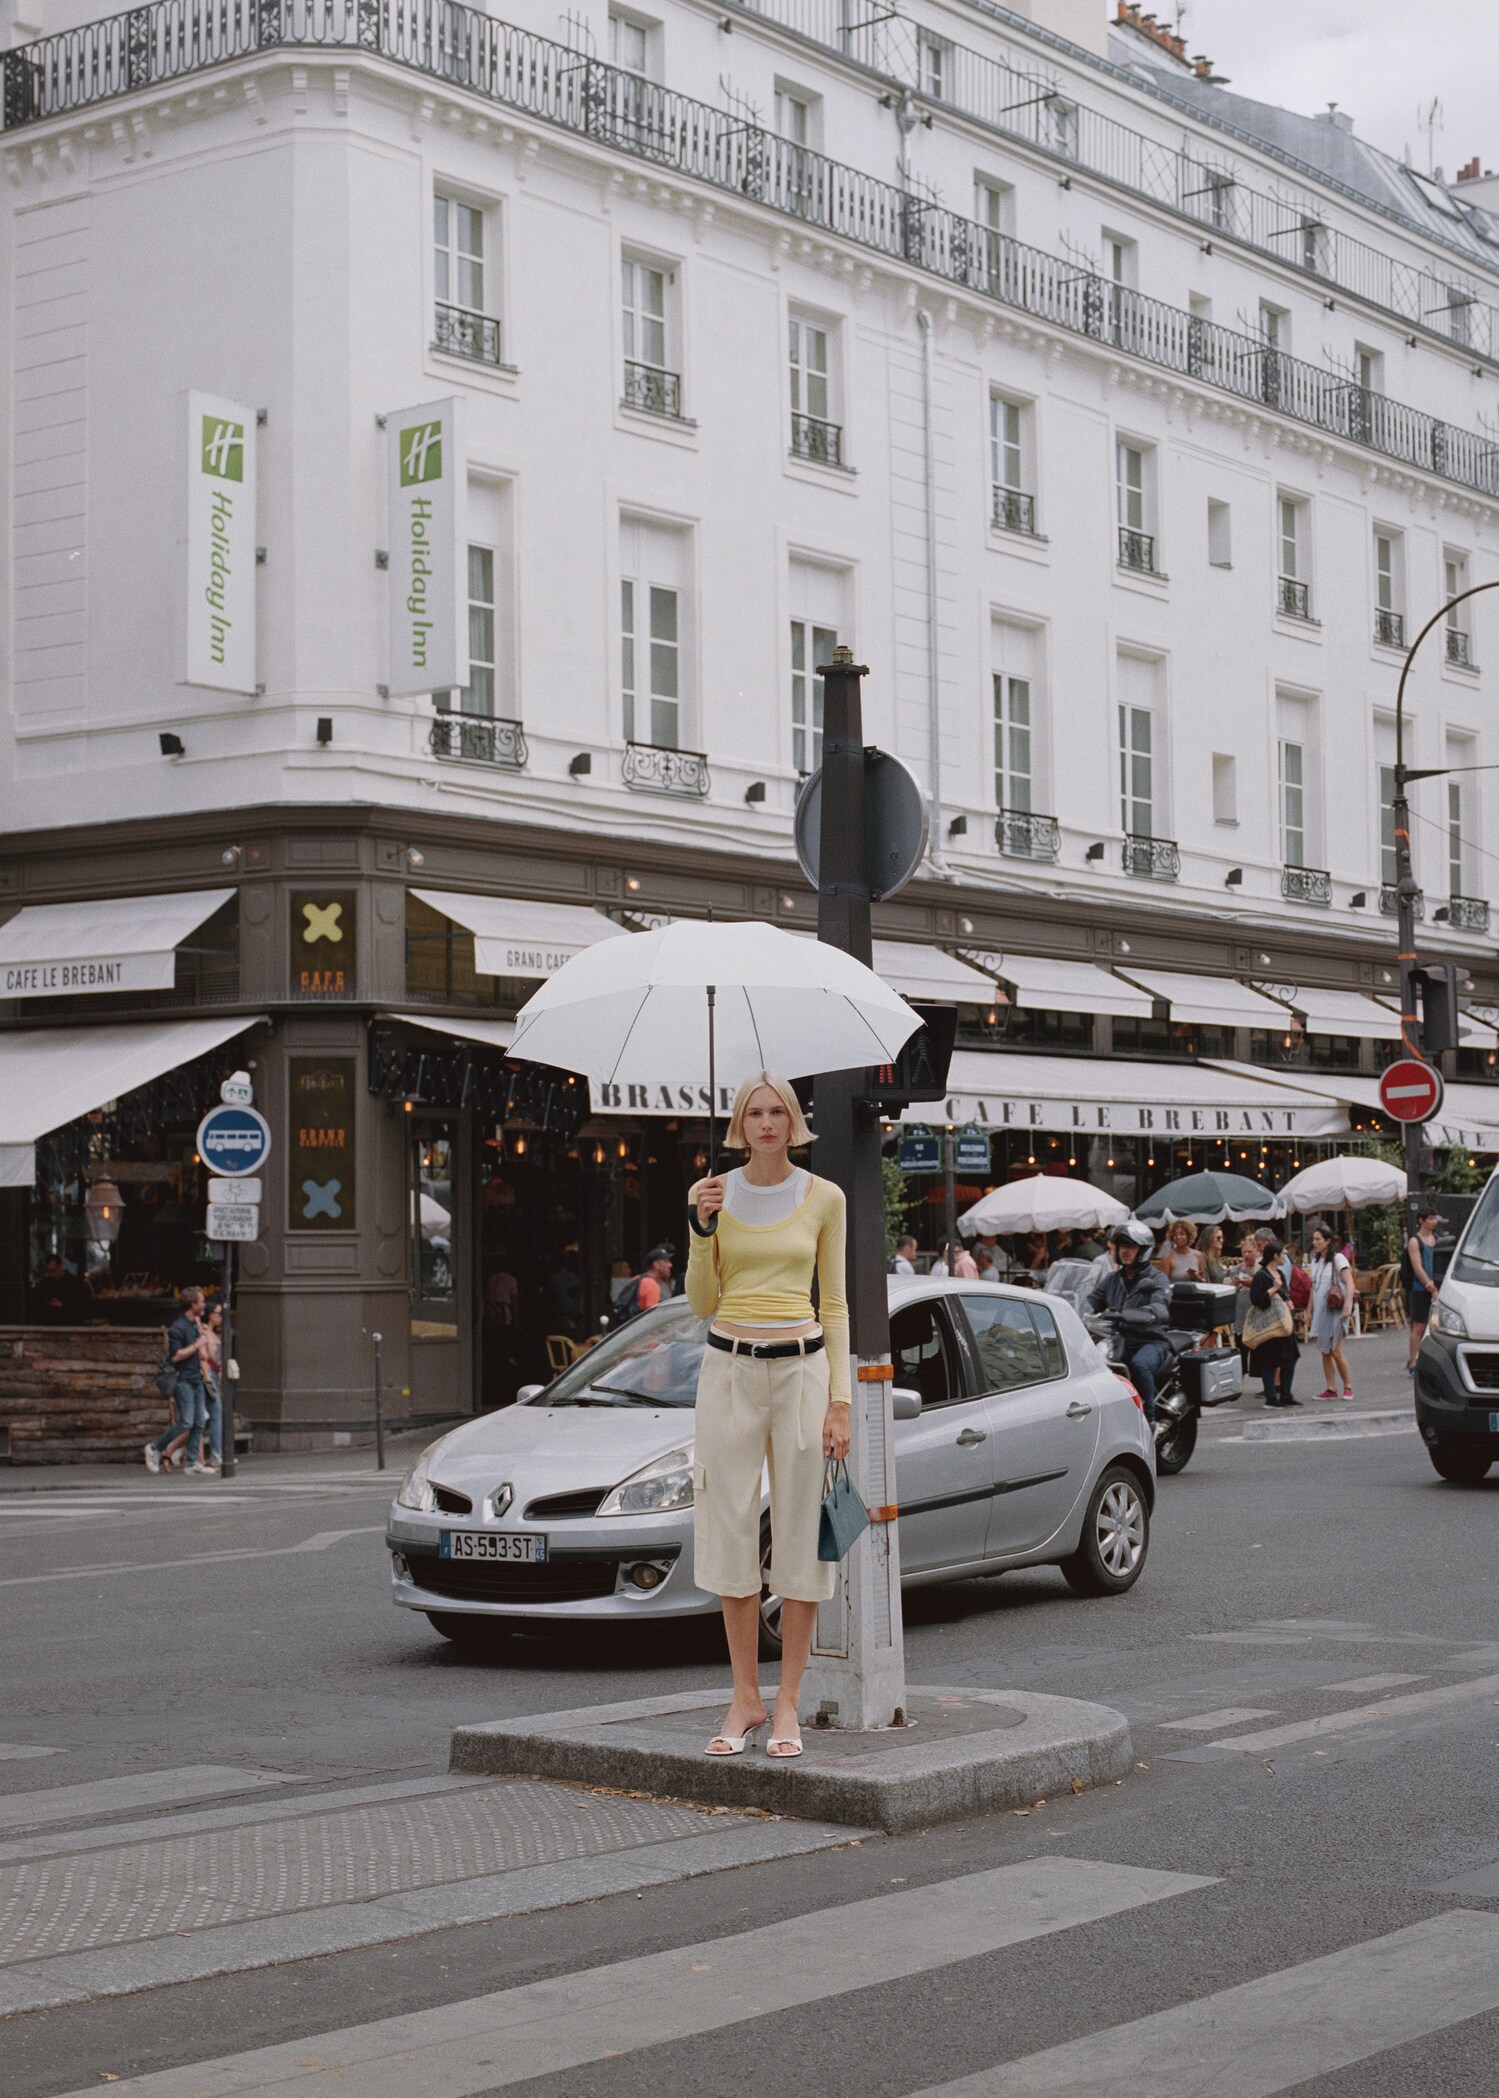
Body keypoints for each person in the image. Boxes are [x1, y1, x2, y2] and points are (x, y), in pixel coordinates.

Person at [686, 1071, 849, 1763]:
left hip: (803, 1368)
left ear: (792, 1121)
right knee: (725, 1529)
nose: (765, 1123)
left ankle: (787, 1703)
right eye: (753, 1113)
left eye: (776, 1111)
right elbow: (700, 1301)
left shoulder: (824, 1197)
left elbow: (835, 1303)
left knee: (801, 1536)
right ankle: (744, 1696)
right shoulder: (713, 1194)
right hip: (727, 1366)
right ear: (737, 1123)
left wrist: (840, 1400)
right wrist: (699, 1228)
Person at [1086, 1220, 1172, 1422]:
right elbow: (1090, 1301)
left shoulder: (1157, 1278)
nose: (1124, 1251)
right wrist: (1071, 1310)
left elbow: (1161, 1306)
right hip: (1119, 1339)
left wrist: (1145, 1312)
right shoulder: (1113, 1279)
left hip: (1151, 1340)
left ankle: (1149, 1420)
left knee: (1139, 1364)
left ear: (1143, 1250)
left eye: (1130, 1246)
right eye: (1122, 1246)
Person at [145, 1288, 210, 1473]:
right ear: (192, 1304)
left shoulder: (193, 1325)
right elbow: (175, 1356)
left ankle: (192, 1462)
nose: (204, 1305)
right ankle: (155, 1447)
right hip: (183, 1380)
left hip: (196, 1378)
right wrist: (197, 1345)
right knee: (186, 1422)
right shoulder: (178, 1328)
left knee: (200, 1422)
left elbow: (204, 1355)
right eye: (201, 1301)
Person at [1249, 1239, 1299, 1408]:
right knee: (1270, 1360)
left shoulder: (1281, 1274)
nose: (1285, 1256)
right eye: (1283, 1254)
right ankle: (1271, 1397)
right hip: (1269, 1325)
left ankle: (1286, 1394)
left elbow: (1285, 1295)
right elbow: (1256, 1300)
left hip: (1283, 1322)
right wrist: (1273, 1289)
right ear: (1275, 1256)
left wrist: (1289, 1301)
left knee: (1290, 1358)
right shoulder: (1261, 1276)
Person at [1308, 1223, 1355, 1401]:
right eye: (1314, 1239)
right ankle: (1331, 1387)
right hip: (1321, 1309)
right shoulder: (1316, 1260)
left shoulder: (1338, 1259)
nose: (1315, 1242)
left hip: (1335, 1309)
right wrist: (1309, 1309)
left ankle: (1348, 1385)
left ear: (1328, 1241)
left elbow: (1350, 1283)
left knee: (1335, 1350)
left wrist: (1347, 1306)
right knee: (1325, 1350)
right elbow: (1314, 1287)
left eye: (1318, 1239)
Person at [1405, 1206, 1440, 1372]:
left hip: (1437, 1287)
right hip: (1421, 1288)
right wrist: (1429, 1285)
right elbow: (1417, 1267)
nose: (1434, 1222)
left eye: (1434, 1218)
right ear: (1421, 1220)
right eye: (1430, 1219)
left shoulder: (1437, 1239)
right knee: (1419, 1325)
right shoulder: (1415, 1241)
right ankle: (1413, 1361)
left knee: (1436, 1325)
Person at [612, 1246, 675, 1325]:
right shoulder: (651, 1284)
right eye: (666, 1261)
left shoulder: (638, 1278)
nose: (670, 1265)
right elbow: (652, 1318)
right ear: (656, 1265)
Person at [34, 1253, 89, 1325]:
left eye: (53, 1271)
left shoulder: (74, 1283)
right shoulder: (45, 1284)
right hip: (50, 1324)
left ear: (60, 1266)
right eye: (49, 1271)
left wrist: (62, 1305)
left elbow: (80, 1306)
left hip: (69, 1324)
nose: (51, 1274)